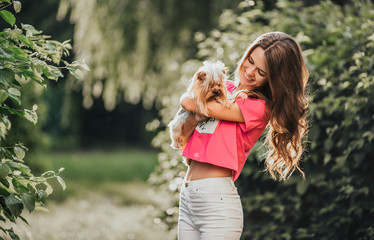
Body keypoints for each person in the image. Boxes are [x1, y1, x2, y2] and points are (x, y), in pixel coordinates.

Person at [177, 32, 309, 240]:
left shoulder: (258, 108)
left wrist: (188, 98)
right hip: (188, 197)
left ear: (273, 80)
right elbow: (182, 138)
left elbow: (189, 103)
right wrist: (192, 116)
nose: (249, 72)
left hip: (217, 207)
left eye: (261, 72)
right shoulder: (223, 89)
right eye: (250, 61)